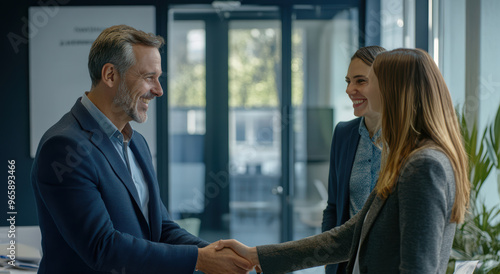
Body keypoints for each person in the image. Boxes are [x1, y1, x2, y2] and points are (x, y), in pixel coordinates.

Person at [216, 48, 470, 273]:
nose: (355, 90)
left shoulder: (423, 165)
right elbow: (350, 236)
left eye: (372, 81)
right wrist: (257, 255)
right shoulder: (405, 158)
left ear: (397, 92)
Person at [31, 25, 251, 274]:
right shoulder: (64, 147)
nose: (158, 90)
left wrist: (218, 254)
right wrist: (200, 259)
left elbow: (161, 228)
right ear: (111, 75)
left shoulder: (137, 143)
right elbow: (103, 248)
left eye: (158, 78)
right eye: (149, 77)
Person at [322, 45, 385, 274]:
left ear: (384, 83)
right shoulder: (343, 134)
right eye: (348, 81)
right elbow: (333, 208)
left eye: (360, 81)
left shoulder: (407, 143)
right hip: (346, 265)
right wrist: (329, 264)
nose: (350, 89)